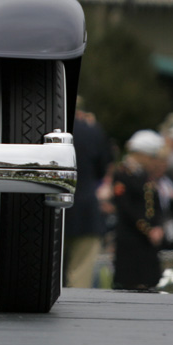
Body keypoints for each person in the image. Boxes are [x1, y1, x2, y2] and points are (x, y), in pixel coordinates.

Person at [111, 130, 168, 291]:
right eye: (151, 158)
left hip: (147, 243)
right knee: (131, 284)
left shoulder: (144, 175)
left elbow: (155, 204)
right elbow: (126, 208)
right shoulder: (122, 174)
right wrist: (148, 230)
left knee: (151, 283)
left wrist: (158, 225)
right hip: (131, 240)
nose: (154, 162)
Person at [63, 104, 112, 288]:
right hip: (85, 211)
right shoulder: (92, 132)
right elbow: (102, 170)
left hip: (51, 210)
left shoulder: (44, 130)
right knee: (80, 274)